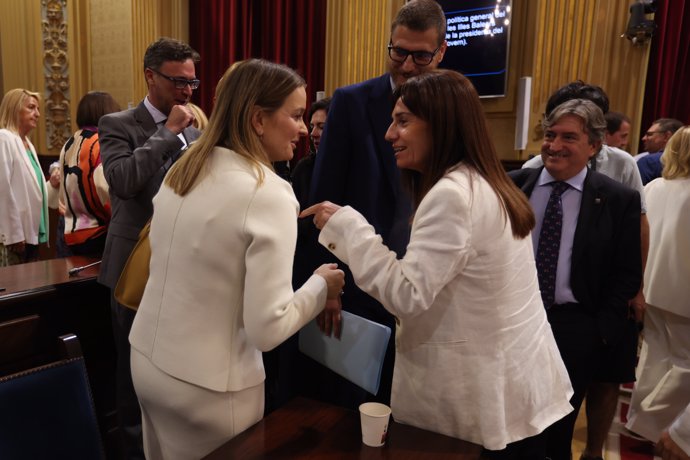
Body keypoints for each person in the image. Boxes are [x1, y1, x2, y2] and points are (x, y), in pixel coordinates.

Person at [303, 69, 573, 458]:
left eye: (403, 121)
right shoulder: (483, 180)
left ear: (442, 125)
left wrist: (350, 229)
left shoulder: (452, 195)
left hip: (476, 395)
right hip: (514, 382)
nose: (389, 135)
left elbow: (408, 295)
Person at [128, 58, 345, 460]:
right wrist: (321, 285)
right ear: (258, 119)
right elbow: (268, 327)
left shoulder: (184, 169)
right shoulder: (269, 192)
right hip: (210, 388)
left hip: (147, 362)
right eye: (296, 115)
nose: (303, 128)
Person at [305, 0, 447, 409]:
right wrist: (328, 285)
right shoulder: (352, 102)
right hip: (359, 282)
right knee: (358, 400)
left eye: (420, 56)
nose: (406, 65)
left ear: (440, 53)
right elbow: (324, 200)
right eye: (398, 52)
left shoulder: (448, 105)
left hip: (425, 287)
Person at [510, 99, 642, 460]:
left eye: (569, 137)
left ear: (594, 146)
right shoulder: (511, 187)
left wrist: (600, 333)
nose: (554, 145)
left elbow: (627, 272)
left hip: (576, 328)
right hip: (515, 322)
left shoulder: (618, 200)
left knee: (558, 428)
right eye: (550, 135)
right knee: (510, 423)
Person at [98, 37, 202, 459]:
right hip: (132, 270)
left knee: (171, 373)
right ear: (150, 76)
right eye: (178, 81)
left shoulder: (197, 127)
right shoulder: (117, 123)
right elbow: (123, 181)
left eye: (192, 83)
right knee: (132, 374)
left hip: (183, 268)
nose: (187, 91)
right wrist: (167, 132)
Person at [626, 126, 690, 453]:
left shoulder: (654, 187)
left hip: (650, 287)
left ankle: (643, 422)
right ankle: (651, 424)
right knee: (686, 364)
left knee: (654, 355)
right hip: (683, 291)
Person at [0, 88, 60, 266]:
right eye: (31, 108)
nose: (38, 114)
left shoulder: (27, 144)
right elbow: (3, 189)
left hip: (30, 235)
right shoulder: (4, 138)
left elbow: (32, 192)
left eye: (38, 109)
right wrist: (14, 233)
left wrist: (52, 184)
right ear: (14, 109)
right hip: (13, 238)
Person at [57, 91, 120, 257]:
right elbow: (104, 188)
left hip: (71, 231)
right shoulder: (99, 143)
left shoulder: (69, 143)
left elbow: (64, 192)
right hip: (98, 232)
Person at [636, 117, 683, 184]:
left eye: (649, 134)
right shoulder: (685, 161)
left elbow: (637, 192)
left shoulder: (648, 162)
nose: (643, 138)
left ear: (666, 136)